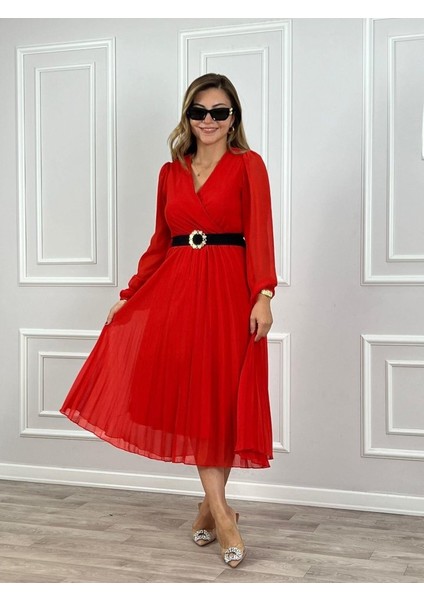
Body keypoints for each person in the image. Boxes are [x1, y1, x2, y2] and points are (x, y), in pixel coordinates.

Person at [60, 73, 277, 569]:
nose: (208, 120)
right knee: (195, 397)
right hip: (177, 291)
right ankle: (222, 513)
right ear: (188, 116)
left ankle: (211, 508)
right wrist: (131, 294)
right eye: (199, 111)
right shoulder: (170, 172)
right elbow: (160, 242)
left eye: (219, 112)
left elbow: (261, 233)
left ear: (233, 119)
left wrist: (263, 294)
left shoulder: (248, 165)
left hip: (228, 293)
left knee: (218, 401)